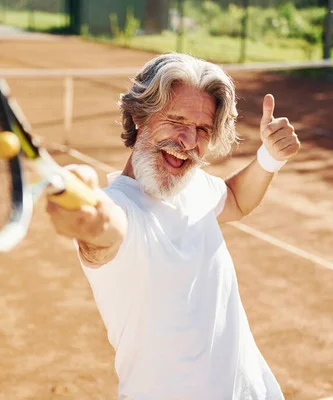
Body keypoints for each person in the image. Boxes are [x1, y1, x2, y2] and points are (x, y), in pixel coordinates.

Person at [46, 53, 300, 400]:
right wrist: (84, 210)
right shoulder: (123, 209)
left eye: (202, 130)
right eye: (176, 120)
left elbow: (235, 199)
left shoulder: (192, 186)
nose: (188, 141)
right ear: (139, 116)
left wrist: (269, 157)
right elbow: (103, 226)